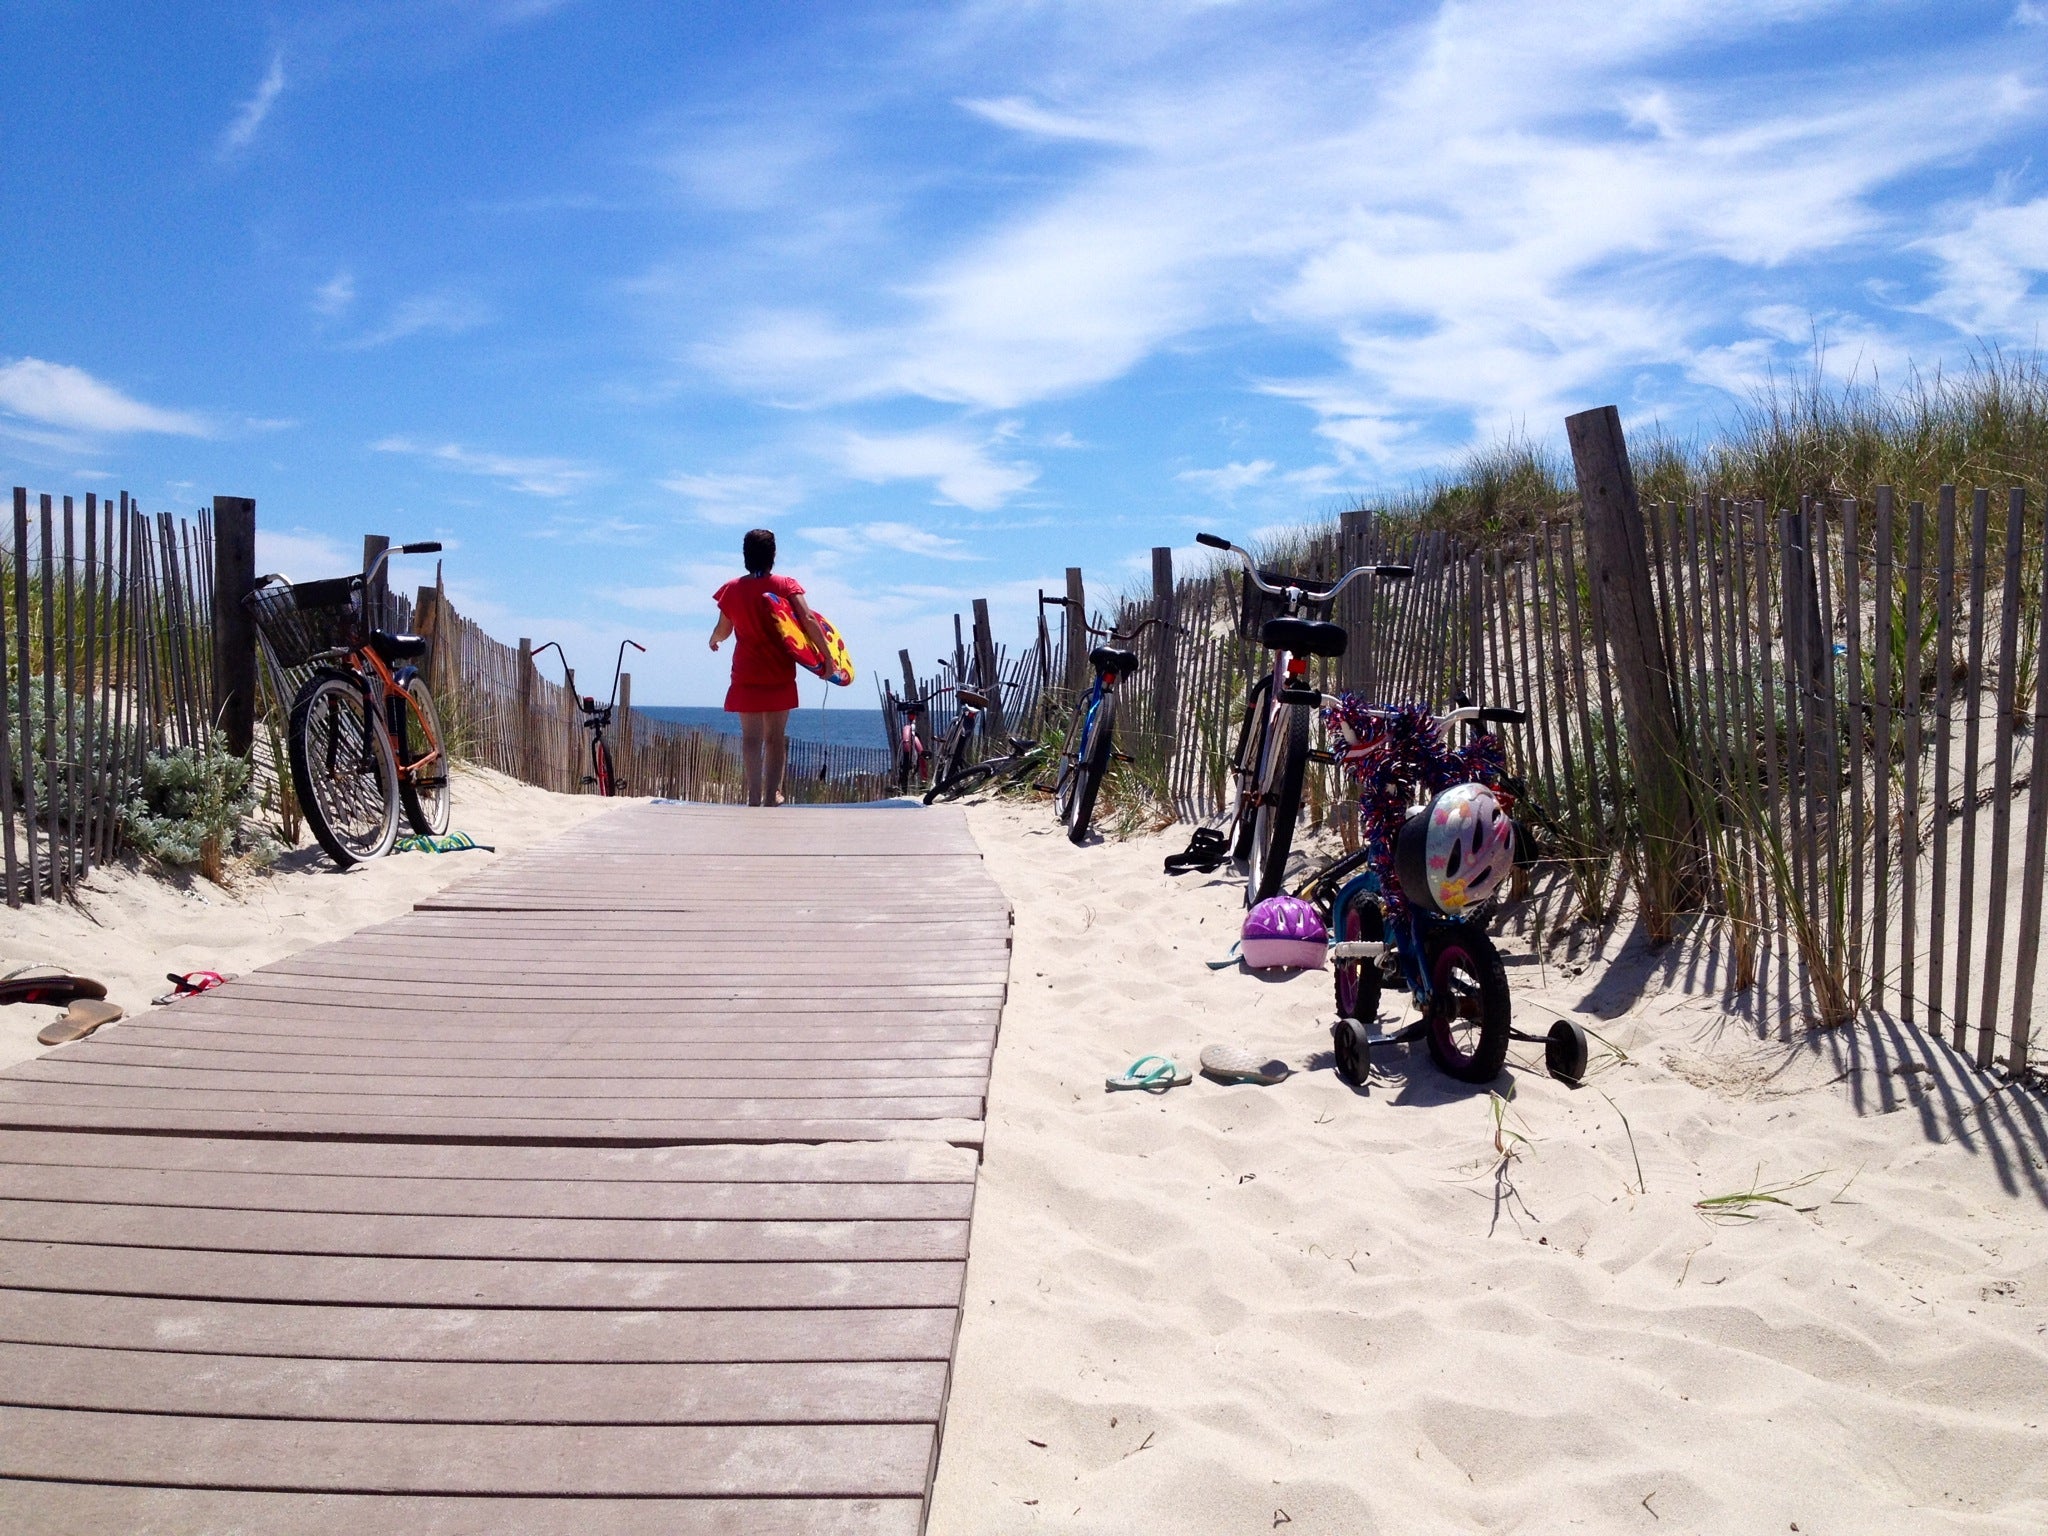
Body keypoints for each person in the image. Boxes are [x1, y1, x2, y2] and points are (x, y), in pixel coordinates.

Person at [709, 528, 828, 807]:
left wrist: (714, 640)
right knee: (774, 739)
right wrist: (827, 658)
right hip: (778, 673)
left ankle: (752, 797)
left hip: (746, 672)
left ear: (745, 556)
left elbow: (723, 630)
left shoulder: (732, 590)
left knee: (751, 739)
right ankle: (771, 796)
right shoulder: (786, 585)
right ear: (773, 555)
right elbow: (809, 620)